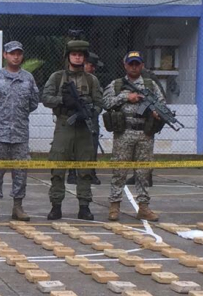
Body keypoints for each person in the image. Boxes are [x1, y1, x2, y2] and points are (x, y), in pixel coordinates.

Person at [41, 39, 103, 221]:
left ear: (85, 58)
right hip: (64, 125)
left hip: (84, 129)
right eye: (74, 55)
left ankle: (84, 206)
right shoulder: (57, 77)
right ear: (68, 57)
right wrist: (63, 101)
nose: (77, 58)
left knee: (85, 169)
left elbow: (100, 103)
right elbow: (45, 98)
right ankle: (56, 206)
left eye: (80, 55)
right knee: (58, 167)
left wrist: (90, 111)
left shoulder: (92, 80)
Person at [103, 51, 164, 222]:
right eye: (131, 64)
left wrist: (157, 112)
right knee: (119, 171)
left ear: (142, 65)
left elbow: (162, 104)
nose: (134, 67)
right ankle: (114, 205)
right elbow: (106, 103)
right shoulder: (116, 85)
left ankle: (143, 207)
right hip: (123, 133)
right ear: (125, 65)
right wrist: (126, 97)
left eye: (137, 64)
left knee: (143, 172)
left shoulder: (151, 85)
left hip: (145, 133)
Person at [0, 40, 38, 221]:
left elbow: (33, 103)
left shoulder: (28, 78)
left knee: (20, 172)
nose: (16, 56)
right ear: (5, 55)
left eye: (19, 53)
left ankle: (18, 206)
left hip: (20, 135)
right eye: (12, 53)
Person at [68, 51, 103, 186]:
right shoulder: (71, 78)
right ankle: (72, 173)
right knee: (72, 146)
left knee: (91, 146)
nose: (93, 69)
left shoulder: (93, 80)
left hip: (90, 117)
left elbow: (99, 101)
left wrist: (93, 111)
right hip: (73, 116)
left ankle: (91, 173)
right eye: (91, 65)